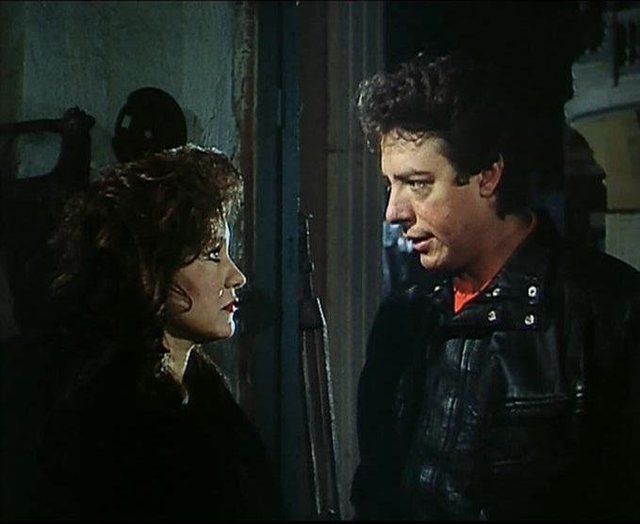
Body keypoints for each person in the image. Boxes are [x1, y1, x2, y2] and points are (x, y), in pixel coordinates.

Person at [350, 52, 640, 520]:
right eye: (390, 185)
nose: (393, 212)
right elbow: (375, 492)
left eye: (417, 184)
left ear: (488, 176)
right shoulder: (403, 321)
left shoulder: (607, 313)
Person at [35, 144, 280, 520]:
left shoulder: (205, 393)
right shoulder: (111, 421)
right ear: (151, 269)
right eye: (212, 254)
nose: (237, 277)